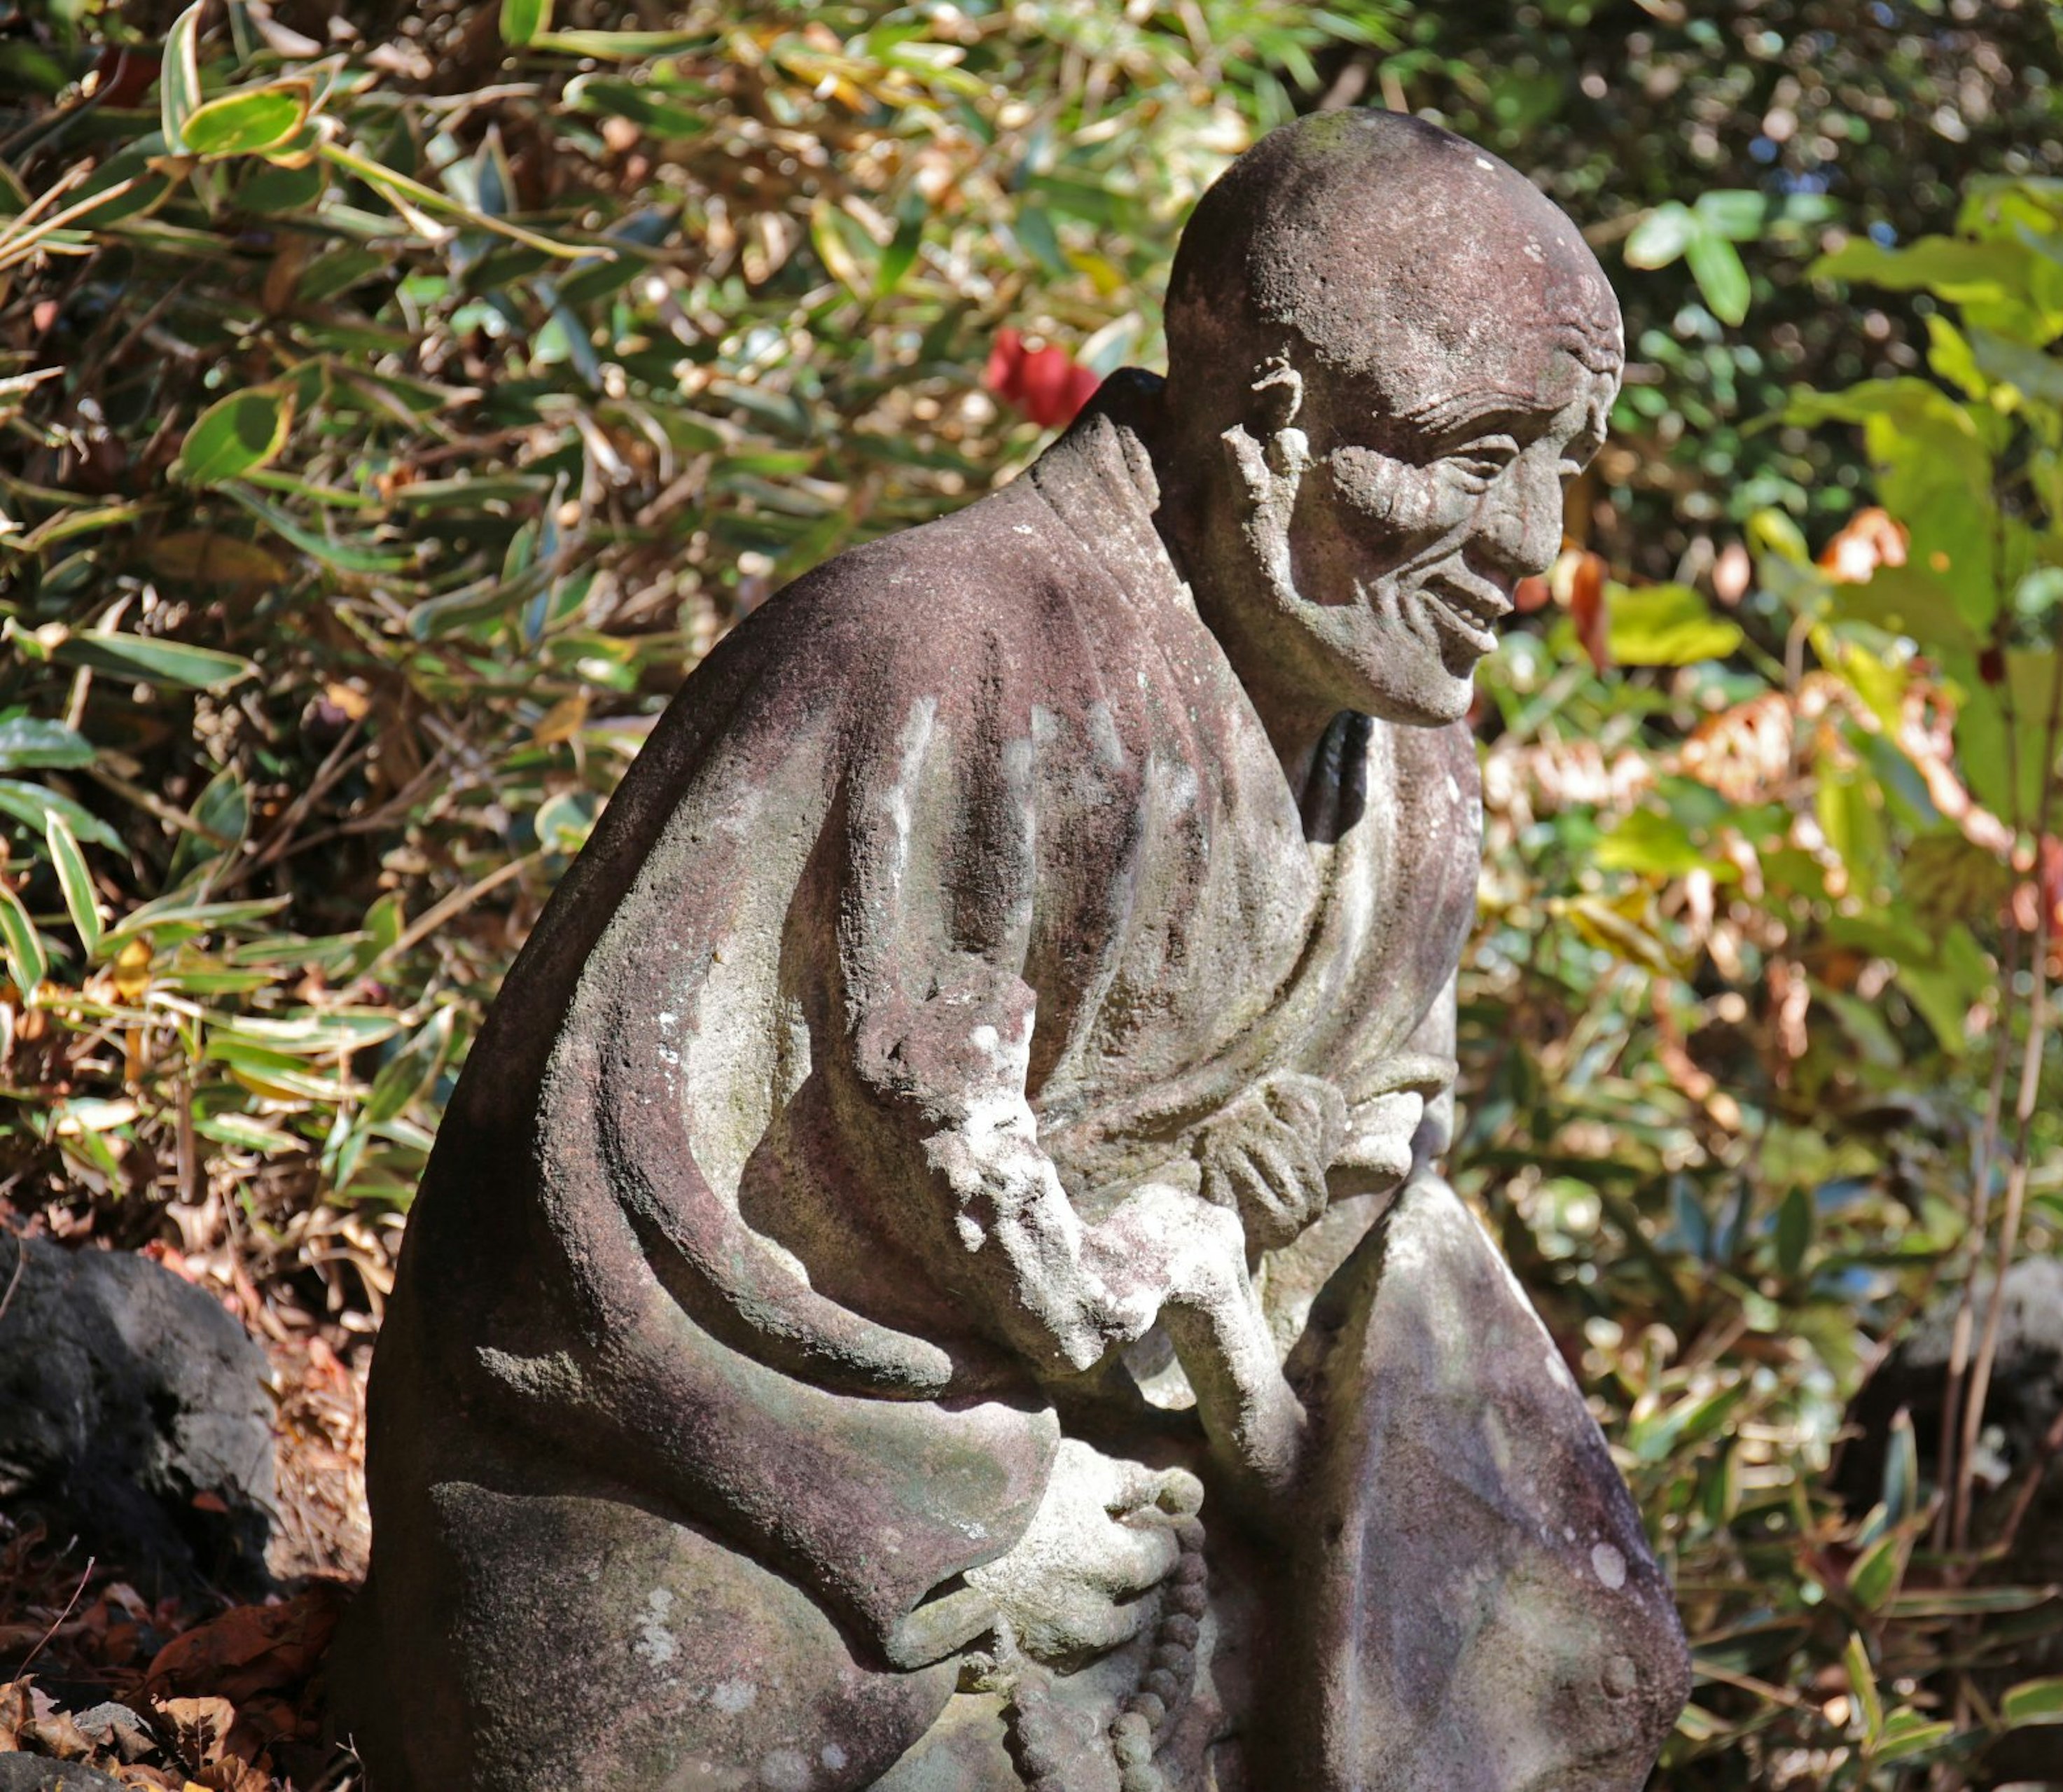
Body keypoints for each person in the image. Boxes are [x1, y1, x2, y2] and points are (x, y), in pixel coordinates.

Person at [338, 109, 1686, 1791]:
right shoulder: (918, 654)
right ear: (1270, 425)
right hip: (734, 1490)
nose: (1543, 547)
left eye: (1570, 464)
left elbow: (1355, 1193)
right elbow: (576, 1214)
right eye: (1485, 460)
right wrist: (960, 1501)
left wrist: (1274, 1362)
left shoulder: (1410, 770)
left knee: (1513, 1619)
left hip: (1153, 1477)